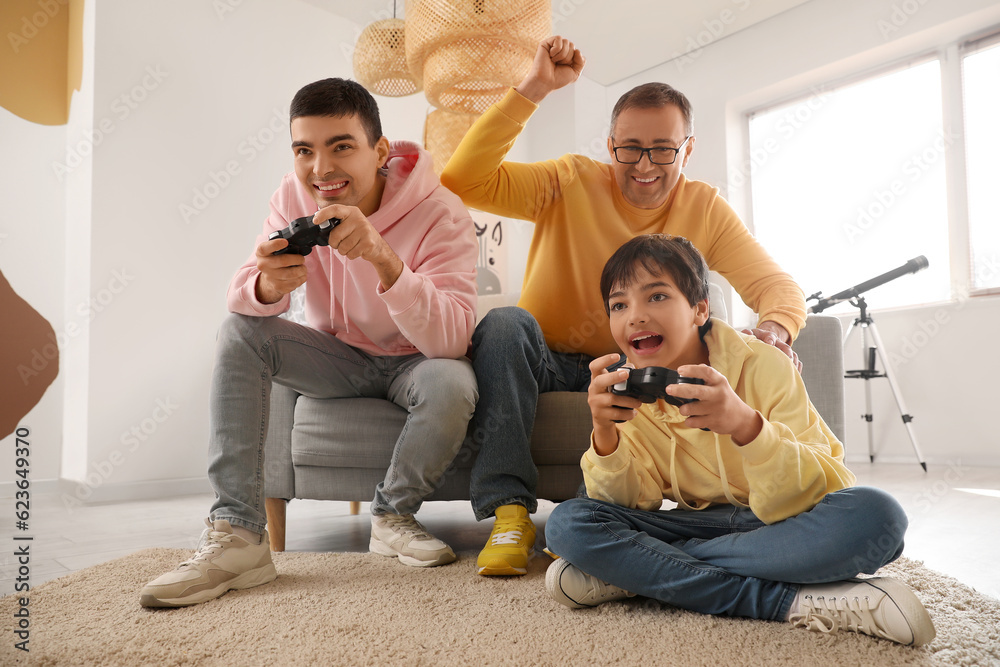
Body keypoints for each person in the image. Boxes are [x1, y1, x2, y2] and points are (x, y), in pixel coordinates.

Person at [439, 36, 806, 576]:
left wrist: (775, 331)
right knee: (504, 323)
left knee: (672, 367)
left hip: (632, 369)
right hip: (543, 357)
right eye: (630, 148)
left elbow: (775, 284)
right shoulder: (568, 180)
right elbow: (462, 178)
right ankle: (509, 513)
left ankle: (599, 521)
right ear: (610, 145)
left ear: (688, 148)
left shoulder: (704, 206)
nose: (645, 165)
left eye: (664, 148)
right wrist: (535, 87)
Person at [140, 78, 479, 607]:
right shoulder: (293, 196)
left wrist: (384, 258)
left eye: (341, 146)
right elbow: (246, 290)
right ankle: (239, 535)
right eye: (305, 150)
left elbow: (453, 338)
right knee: (239, 330)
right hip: (337, 357)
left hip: (416, 361)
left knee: (453, 380)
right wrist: (266, 285)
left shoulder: (442, 212)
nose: (321, 169)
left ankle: (392, 514)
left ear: (380, 151)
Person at [543, 234, 935, 647]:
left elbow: (832, 484)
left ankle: (640, 572)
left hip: (777, 522)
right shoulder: (629, 394)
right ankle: (789, 602)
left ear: (699, 309)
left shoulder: (765, 363)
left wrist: (748, 426)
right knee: (570, 524)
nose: (635, 317)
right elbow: (628, 505)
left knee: (878, 517)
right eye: (619, 305)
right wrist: (604, 434)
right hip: (698, 524)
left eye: (656, 297)